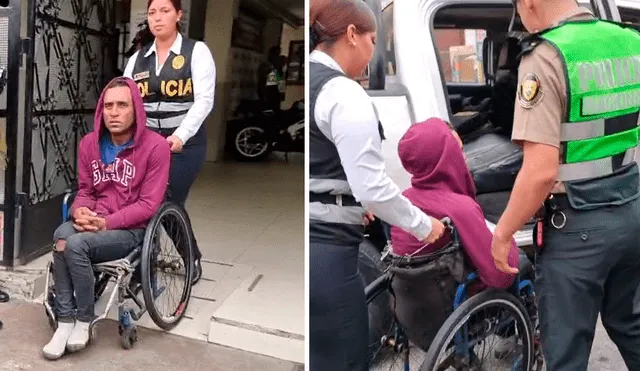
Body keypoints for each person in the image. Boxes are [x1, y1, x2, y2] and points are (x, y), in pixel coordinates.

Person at [490, 1, 640, 370]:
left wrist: (503, 233)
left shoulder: (544, 56)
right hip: (630, 208)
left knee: (566, 351)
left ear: (528, 3)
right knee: (630, 325)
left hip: (577, 230)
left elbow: (540, 172)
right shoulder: (628, 40)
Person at [308, 1, 446, 369]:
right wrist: (424, 225)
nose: (372, 52)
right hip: (326, 248)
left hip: (313, 236)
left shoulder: (311, 80)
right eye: (372, 39)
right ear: (352, 35)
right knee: (345, 357)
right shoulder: (343, 93)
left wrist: (355, 200)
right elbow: (372, 188)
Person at [42, 76, 171, 360]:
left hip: (131, 229)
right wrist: (80, 210)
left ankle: (84, 320)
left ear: (136, 109)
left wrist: (106, 223)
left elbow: (150, 204)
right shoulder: (90, 143)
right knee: (61, 237)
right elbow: (86, 190)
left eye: (122, 105)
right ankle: (65, 321)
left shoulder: (156, 147)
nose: (114, 112)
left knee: (77, 246)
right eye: (108, 105)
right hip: (95, 221)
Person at [123, 0, 217, 285]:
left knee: (166, 199)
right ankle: (142, 258)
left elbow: (204, 101)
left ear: (178, 15)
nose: (157, 18)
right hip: (147, 144)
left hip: (184, 144)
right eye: (152, 12)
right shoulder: (138, 58)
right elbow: (127, 100)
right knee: (135, 199)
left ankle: (191, 259)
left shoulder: (196, 52)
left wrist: (179, 136)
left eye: (164, 11)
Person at [257, 45, 285, 110]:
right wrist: (264, 95)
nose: (278, 56)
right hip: (267, 94)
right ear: (271, 54)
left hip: (275, 95)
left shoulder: (277, 67)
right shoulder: (265, 66)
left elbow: (280, 80)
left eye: (278, 54)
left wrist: (282, 92)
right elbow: (262, 81)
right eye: (276, 54)